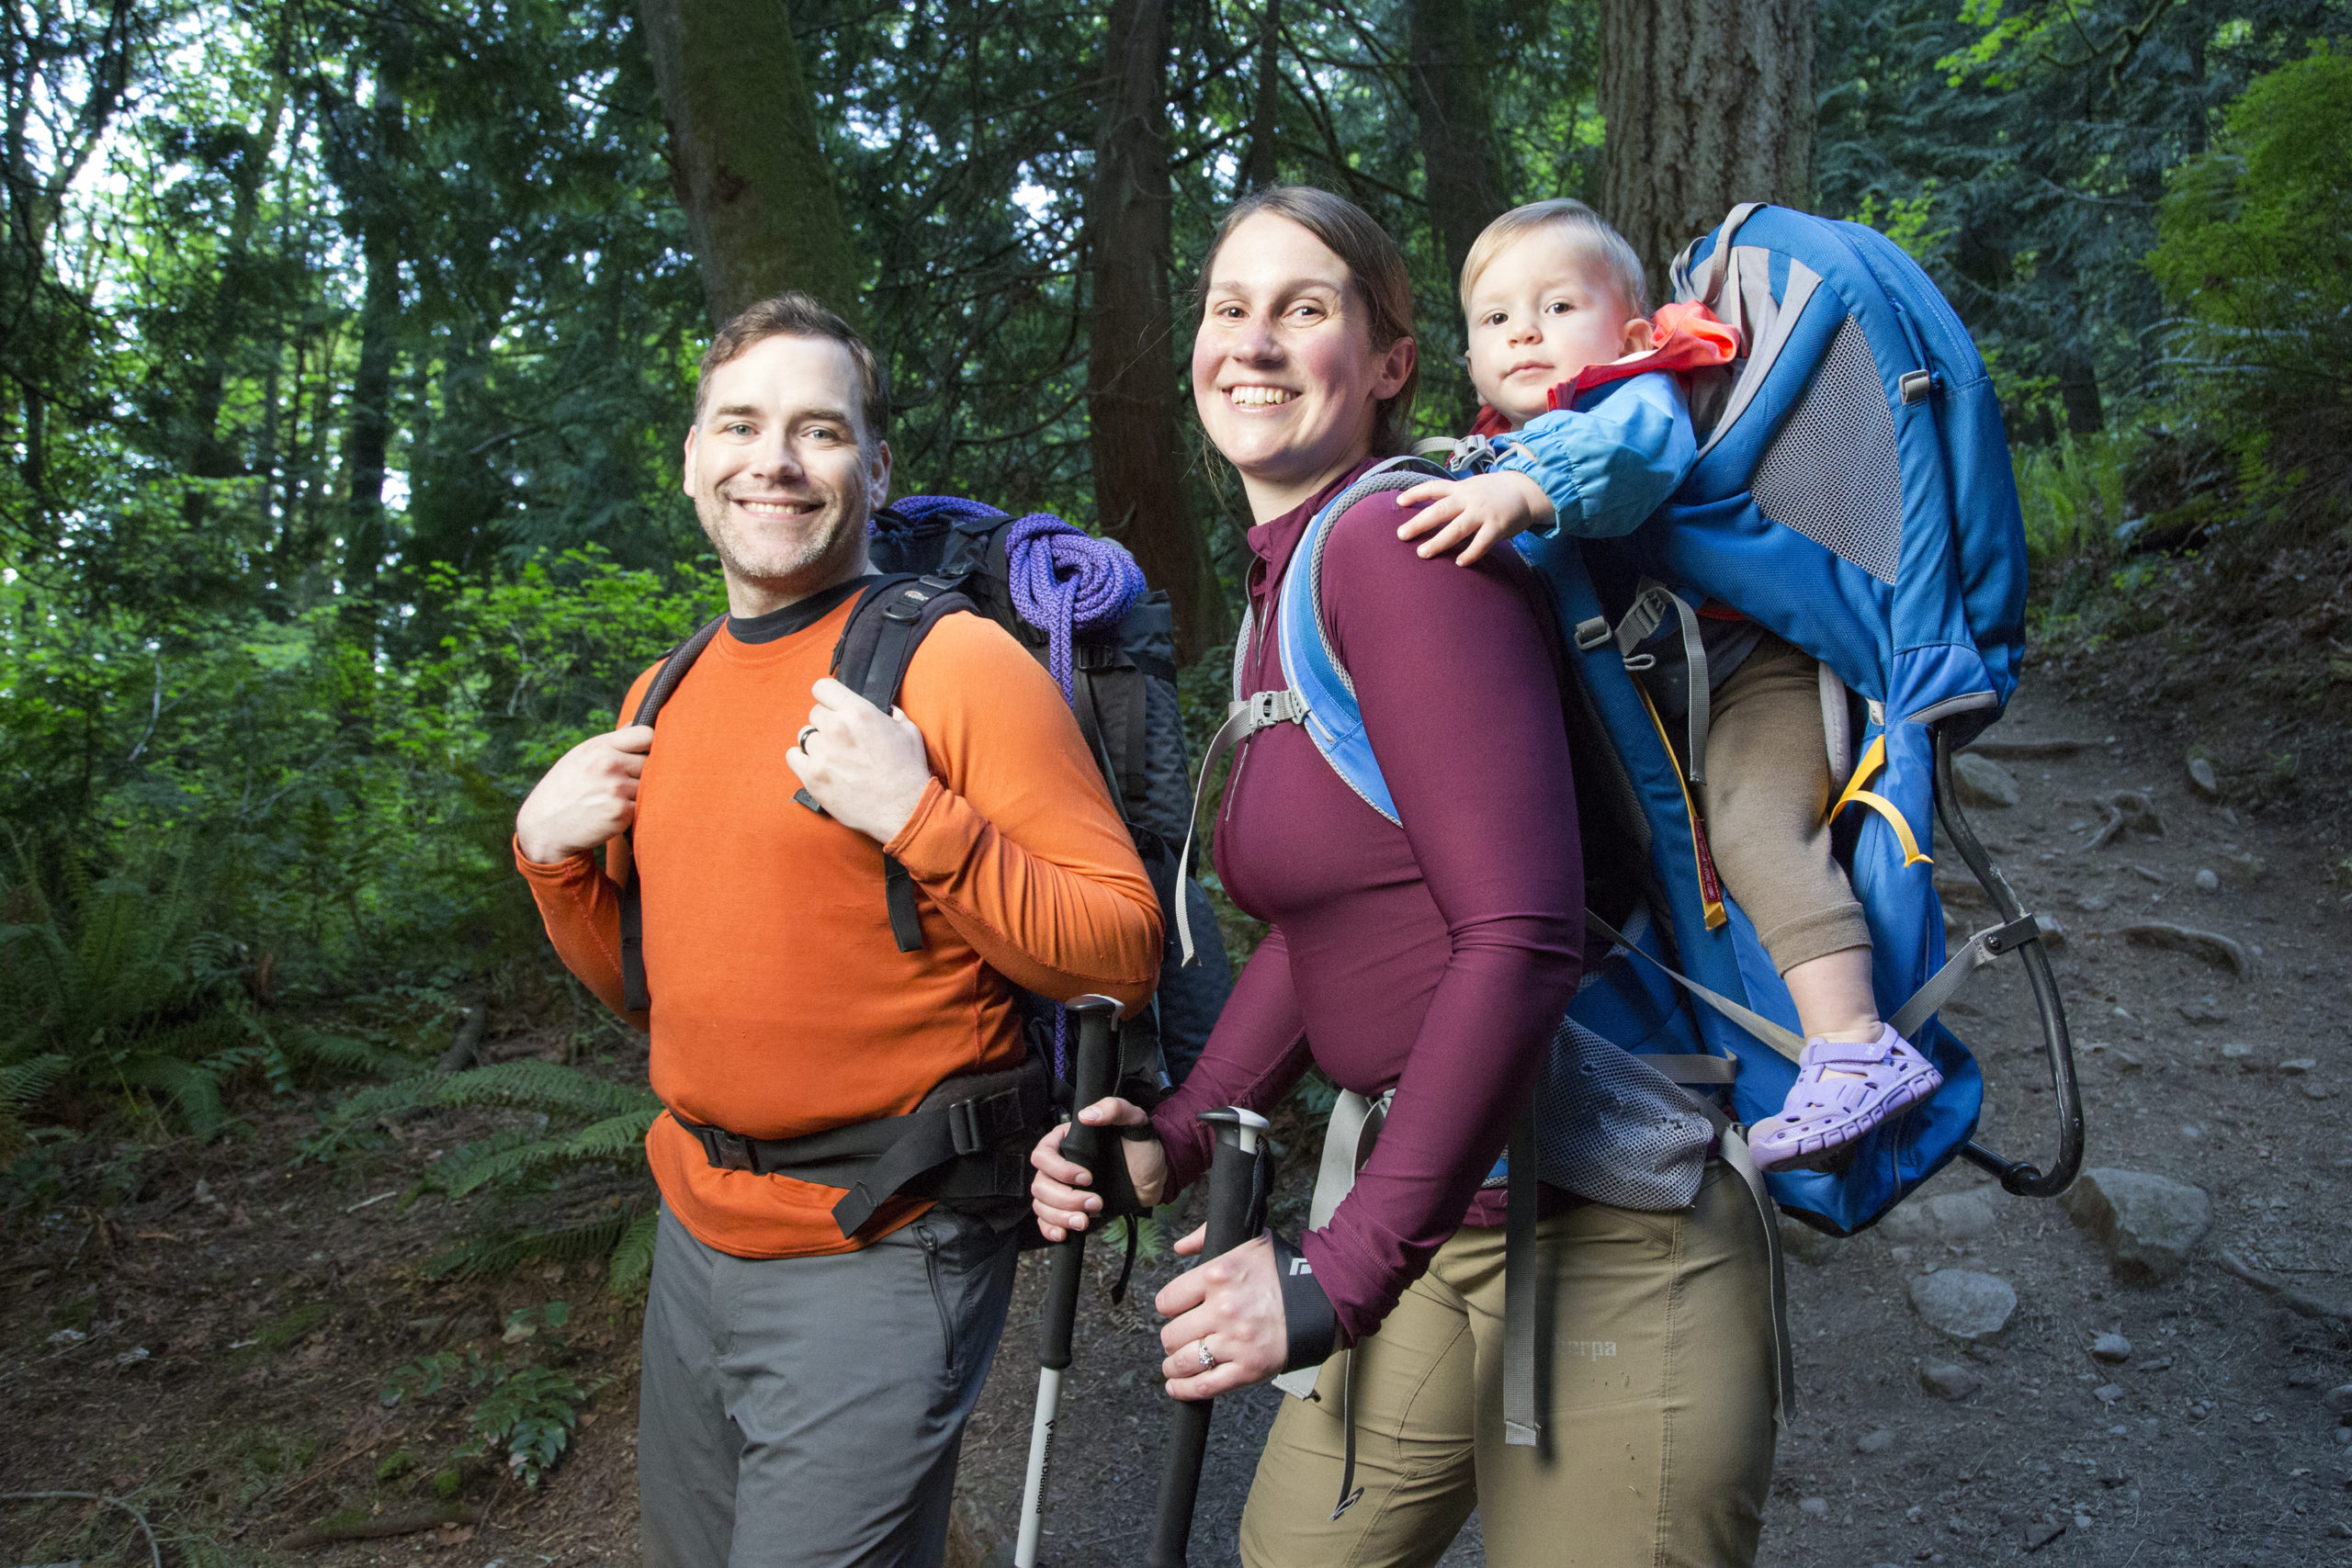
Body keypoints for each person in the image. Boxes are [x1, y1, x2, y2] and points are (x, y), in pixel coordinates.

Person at [1028, 188, 1778, 1567]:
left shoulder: (1398, 546)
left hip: (1616, 1216)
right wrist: (1175, 1134)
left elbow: (1520, 934)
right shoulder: (1285, 590)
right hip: (1446, 1206)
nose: (1254, 342)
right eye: (1229, 307)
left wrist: (1340, 1268)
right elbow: (1326, 925)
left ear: (1389, 363)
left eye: (1304, 308)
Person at [512, 292, 1163, 1568]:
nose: (774, 460)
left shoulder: (956, 664)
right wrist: (549, 863)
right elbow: (654, 991)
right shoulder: (665, 691)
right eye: (740, 425)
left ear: (876, 466)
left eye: (818, 430)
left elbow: (1119, 950)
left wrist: (919, 816)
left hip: (885, 1236)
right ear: (691, 459)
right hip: (695, 1234)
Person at [1393, 197, 1943, 1173]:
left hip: (1760, 677)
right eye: (1496, 317)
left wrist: (1522, 491)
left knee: (1753, 829)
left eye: (1559, 306)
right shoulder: (1489, 451)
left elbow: (1637, 456)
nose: (1525, 331)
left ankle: (1858, 1045)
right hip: (1664, 717)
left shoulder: (1630, 398)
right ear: (1470, 359)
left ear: (1634, 333)